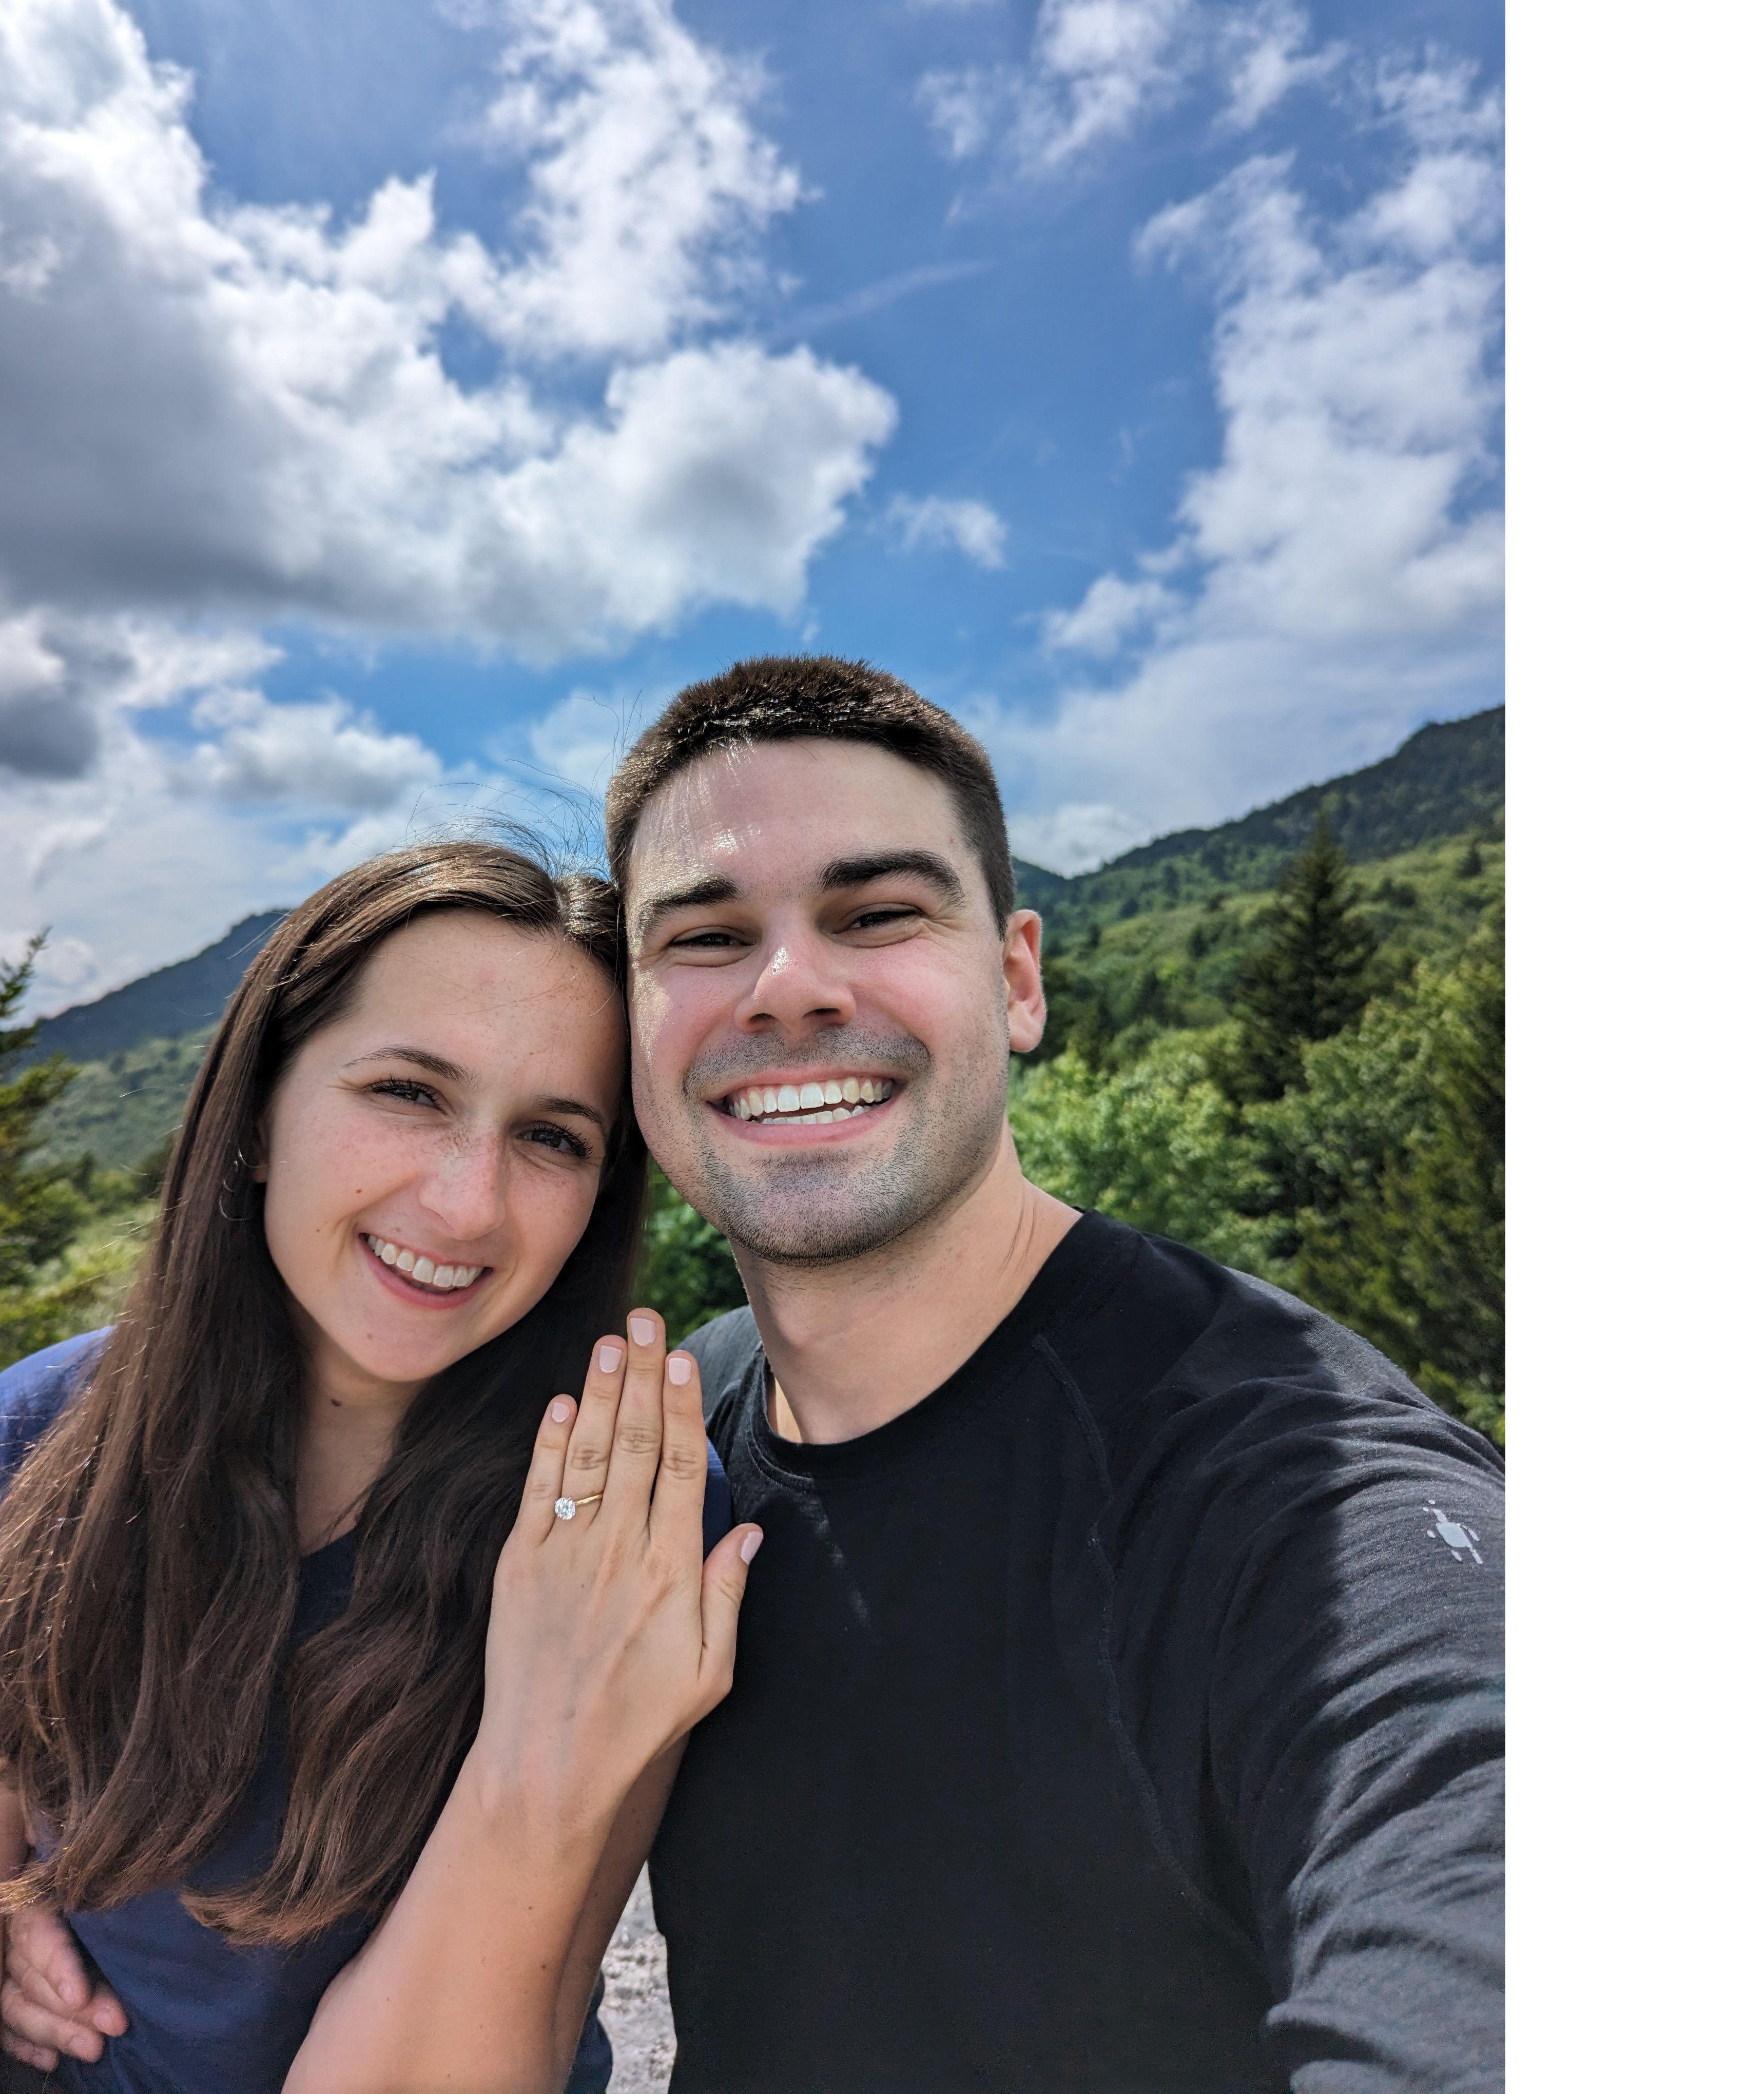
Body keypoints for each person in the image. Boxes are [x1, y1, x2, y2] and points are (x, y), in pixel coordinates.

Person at [607, 657, 1505, 2091]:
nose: (787, 989)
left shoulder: (1293, 1492)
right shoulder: (663, 1437)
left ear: (1017, 977)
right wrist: (99, 1850)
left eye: (879, 913)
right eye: (705, 937)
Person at [0, 841, 759, 2094]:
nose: (468, 1203)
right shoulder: (40, 1437)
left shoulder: (624, 1518)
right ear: (260, 1108)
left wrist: (534, 1746)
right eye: (409, 1093)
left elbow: (490, 2056)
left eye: (552, 1136)